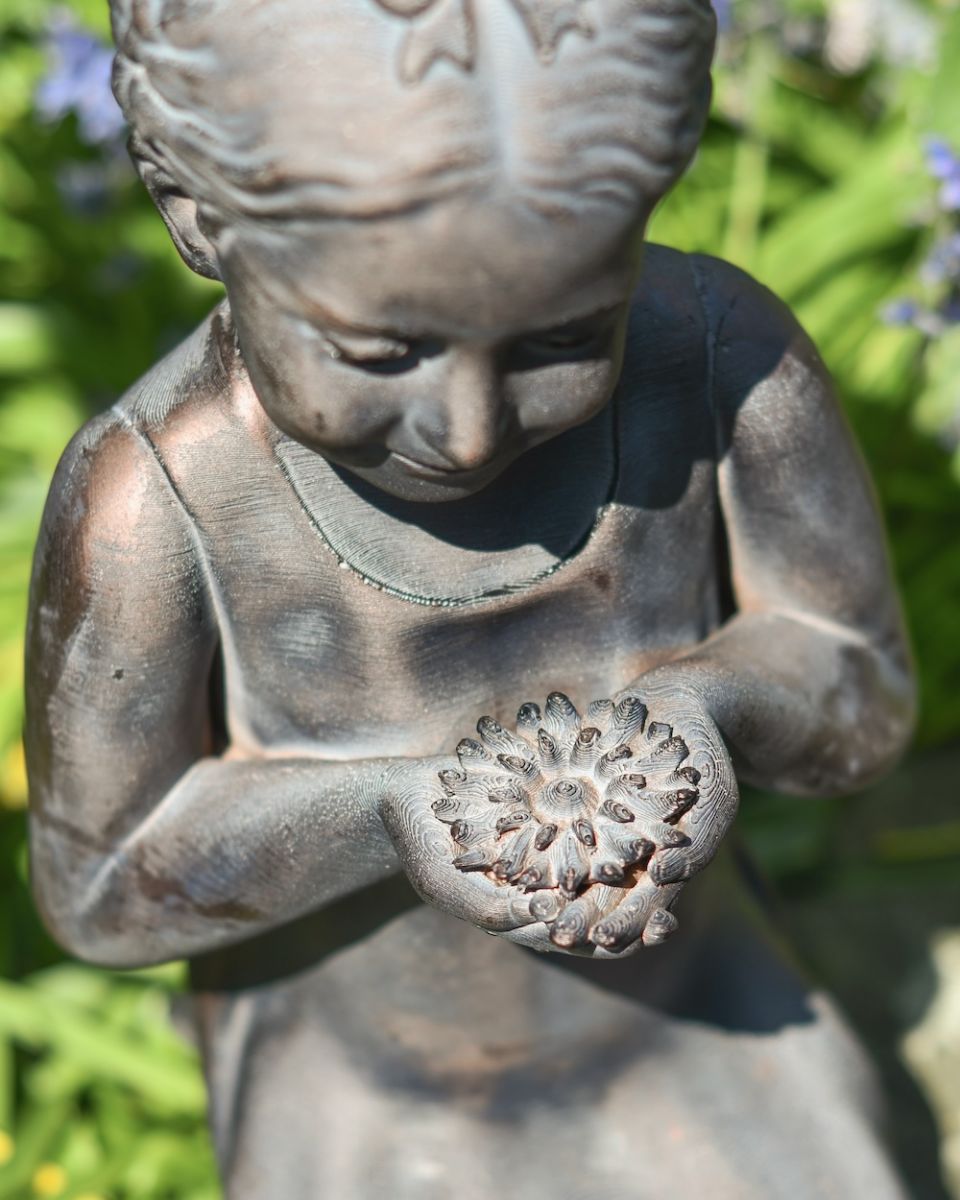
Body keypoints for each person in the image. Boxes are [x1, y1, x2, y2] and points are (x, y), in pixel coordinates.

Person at [25, 0, 916, 1195]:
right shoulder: (162, 490)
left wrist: (710, 706)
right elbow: (99, 890)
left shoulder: (718, 354)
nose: (467, 431)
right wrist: (399, 811)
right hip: (373, 1088)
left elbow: (860, 687)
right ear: (198, 220)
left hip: (703, 1024)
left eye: (563, 339)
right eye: (380, 353)